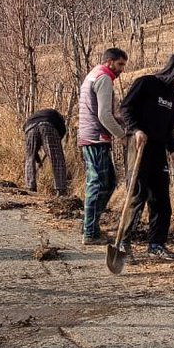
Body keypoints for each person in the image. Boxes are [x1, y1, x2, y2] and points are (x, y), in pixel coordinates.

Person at [119, 51, 174, 261]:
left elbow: (170, 126)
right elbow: (125, 108)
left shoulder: (172, 96)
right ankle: (124, 243)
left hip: (158, 150)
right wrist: (135, 129)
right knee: (138, 194)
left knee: (161, 199)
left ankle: (156, 244)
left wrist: (173, 149)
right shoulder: (145, 83)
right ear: (172, 69)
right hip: (139, 145)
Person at [77, 48, 129, 245]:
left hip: (90, 135)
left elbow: (99, 111)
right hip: (96, 138)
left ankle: (89, 226)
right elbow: (103, 115)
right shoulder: (104, 78)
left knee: (105, 183)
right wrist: (122, 136)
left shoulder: (92, 75)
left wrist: (120, 120)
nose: (121, 69)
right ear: (109, 62)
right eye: (120, 64)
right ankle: (89, 232)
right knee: (99, 184)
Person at [22, 108, 70, 197]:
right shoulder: (58, 119)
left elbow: (33, 152)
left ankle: (30, 186)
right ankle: (61, 189)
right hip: (48, 125)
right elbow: (61, 133)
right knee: (57, 158)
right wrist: (53, 148)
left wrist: (37, 159)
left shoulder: (36, 116)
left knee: (29, 158)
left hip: (29, 128)